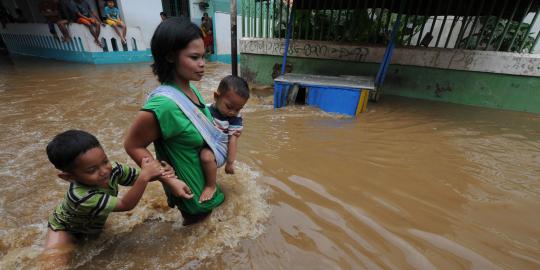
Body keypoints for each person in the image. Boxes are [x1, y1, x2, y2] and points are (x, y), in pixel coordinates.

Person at [124, 17, 223, 225]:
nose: (202, 64)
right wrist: (169, 180)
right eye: (194, 57)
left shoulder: (190, 89)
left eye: (203, 56)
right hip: (192, 198)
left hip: (207, 188)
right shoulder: (164, 106)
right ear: (170, 57)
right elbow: (133, 145)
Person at [42, 129, 181, 266]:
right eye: (92, 170)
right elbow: (126, 204)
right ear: (68, 177)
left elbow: (141, 177)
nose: (104, 171)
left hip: (91, 222)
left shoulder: (113, 169)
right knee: (55, 264)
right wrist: (146, 175)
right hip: (65, 228)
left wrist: (162, 171)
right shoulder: (81, 196)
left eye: (105, 161)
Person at [199, 75, 249, 202]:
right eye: (229, 107)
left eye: (238, 109)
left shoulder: (235, 119)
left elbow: (233, 140)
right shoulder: (205, 109)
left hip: (221, 148)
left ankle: (211, 186)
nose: (233, 112)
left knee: (206, 156)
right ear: (216, 97)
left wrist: (230, 163)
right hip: (208, 141)